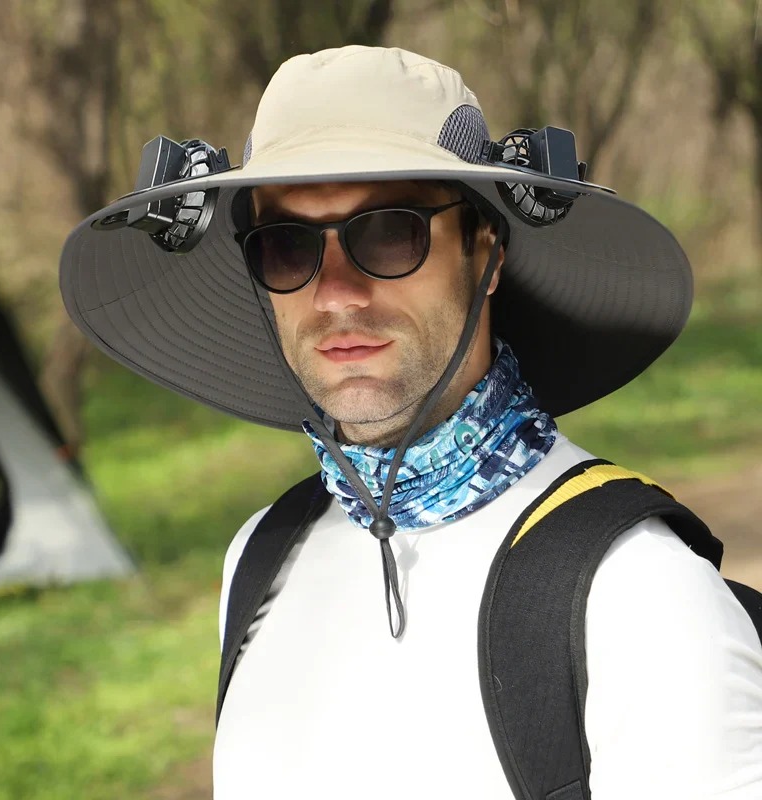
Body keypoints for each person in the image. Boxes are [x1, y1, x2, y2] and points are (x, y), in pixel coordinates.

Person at [59, 46, 762, 799]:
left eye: (390, 233)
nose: (336, 294)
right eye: (287, 246)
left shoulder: (641, 595)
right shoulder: (258, 557)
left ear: (487, 251)